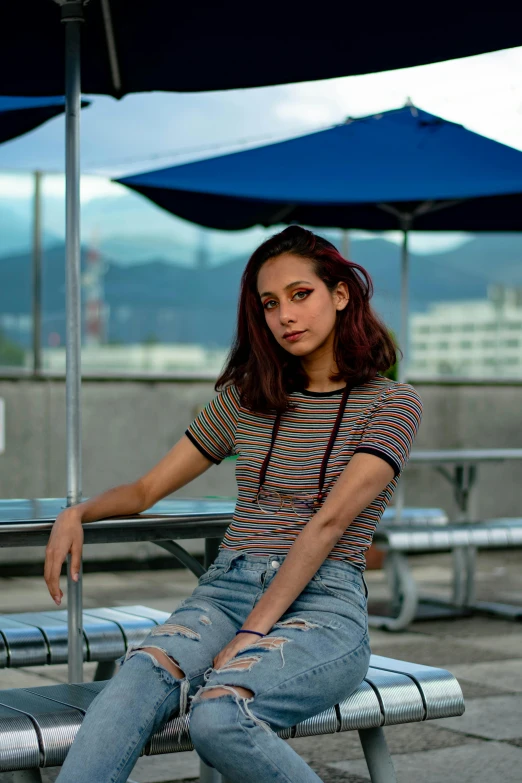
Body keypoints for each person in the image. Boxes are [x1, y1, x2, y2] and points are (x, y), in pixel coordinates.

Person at [46, 225, 422, 783]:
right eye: (270, 304)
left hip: (324, 604)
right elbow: (148, 490)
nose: (285, 315)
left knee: (219, 715)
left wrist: (252, 633)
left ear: (340, 295)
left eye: (301, 294)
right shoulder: (248, 398)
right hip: (226, 589)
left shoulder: (392, 403)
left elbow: (329, 523)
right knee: (133, 683)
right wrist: (77, 513)